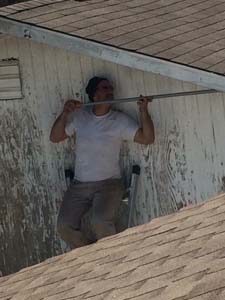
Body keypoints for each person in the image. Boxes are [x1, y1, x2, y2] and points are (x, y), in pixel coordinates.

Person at [50, 76, 155, 249]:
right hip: (79, 186)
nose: (110, 91)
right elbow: (55, 138)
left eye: (110, 88)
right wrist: (65, 113)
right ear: (94, 95)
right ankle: (88, 256)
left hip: (109, 185)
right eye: (104, 88)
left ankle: (109, 259)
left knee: (99, 222)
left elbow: (147, 138)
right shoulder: (80, 117)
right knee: (64, 226)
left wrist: (143, 110)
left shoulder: (118, 120)